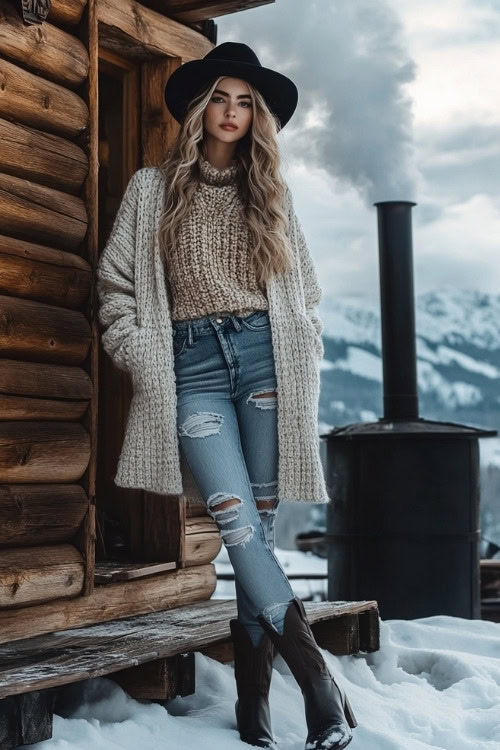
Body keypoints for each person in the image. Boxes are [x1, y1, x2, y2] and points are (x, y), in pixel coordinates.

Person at [96, 41, 357, 750]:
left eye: (246, 101)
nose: (232, 112)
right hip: (193, 370)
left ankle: (252, 708)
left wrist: (300, 332)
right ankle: (317, 685)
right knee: (237, 527)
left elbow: (304, 290)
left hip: (263, 361)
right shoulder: (153, 189)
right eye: (221, 97)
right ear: (198, 107)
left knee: (257, 540)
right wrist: (140, 351)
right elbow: (115, 287)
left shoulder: (270, 192)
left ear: (258, 115)